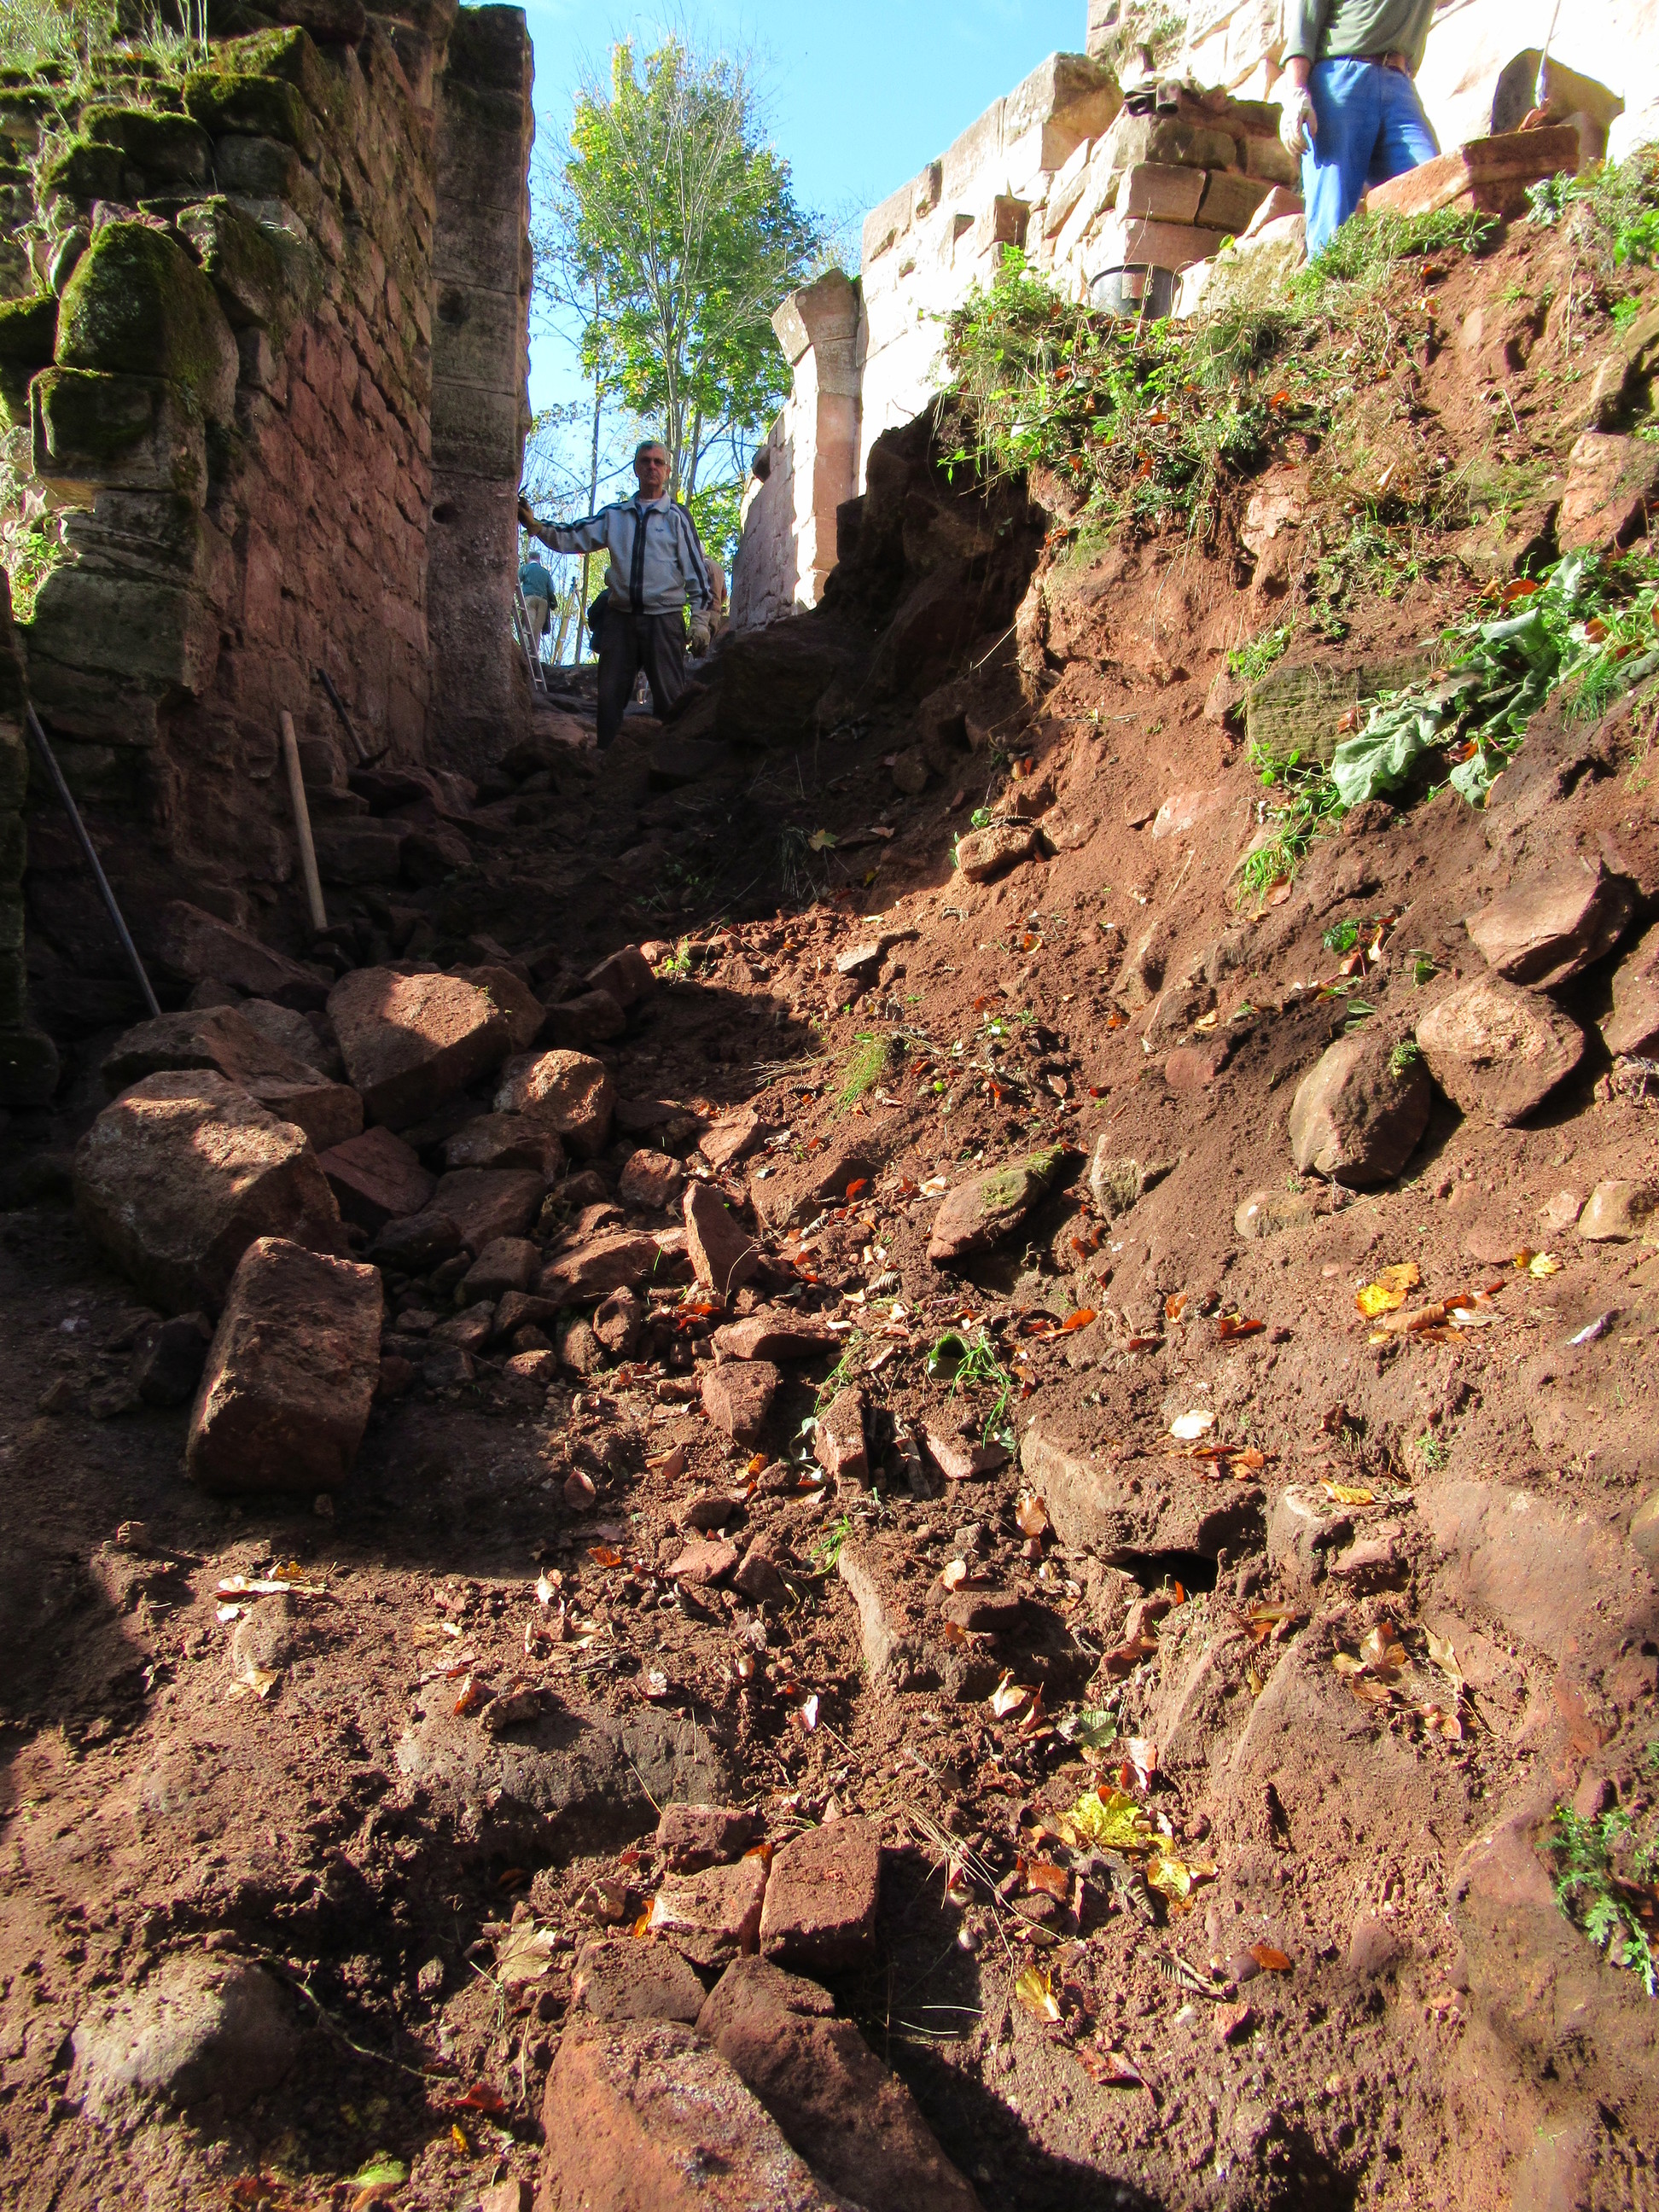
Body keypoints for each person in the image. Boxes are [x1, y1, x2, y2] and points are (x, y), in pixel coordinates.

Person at [518, 440, 713, 748]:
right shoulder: (616, 516)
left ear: (667, 471)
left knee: (671, 699)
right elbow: (575, 535)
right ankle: (606, 761)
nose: (652, 467)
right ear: (636, 468)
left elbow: (696, 573)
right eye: (645, 461)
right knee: (609, 699)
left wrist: (701, 622)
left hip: (664, 620)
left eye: (658, 462)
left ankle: (672, 761)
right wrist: (537, 527)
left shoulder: (677, 517)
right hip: (621, 619)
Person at [1281, 2, 1439, 261]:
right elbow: (1305, 24)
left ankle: (1426, 278)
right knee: (1332, 220)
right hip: (1341, 78)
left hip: (1400, 83)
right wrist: (1295, 92)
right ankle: (1328, 284)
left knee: (1436, 191)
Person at [518, 550, 554, 662]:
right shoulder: (545, 572)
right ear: (539, 559)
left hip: (529, 598)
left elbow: (517, 581)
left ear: (529, 559)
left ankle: (526, 652)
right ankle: (534, 654)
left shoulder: (525, 568)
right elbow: (551, 590)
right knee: (537, 628)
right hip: (543, 601)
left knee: (528, 625)